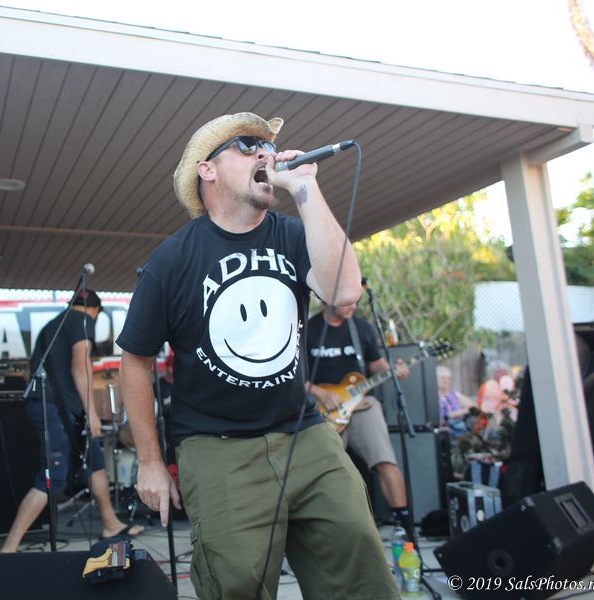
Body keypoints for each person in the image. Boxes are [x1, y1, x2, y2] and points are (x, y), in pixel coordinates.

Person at [117, 113, 397, 599]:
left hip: (304, 432)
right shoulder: (173, 259)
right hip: (215, 445)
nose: (265, 153)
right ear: (207, 170)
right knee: (236, 581)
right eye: (248, 145)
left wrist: (306, 187)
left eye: (268, 146)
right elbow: (135, 360)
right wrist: (150, 462)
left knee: (357, 554)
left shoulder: (292, 235)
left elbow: (344, 291)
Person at [0, 290, 143, 553]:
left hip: (55, 408)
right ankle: (9, 548)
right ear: (94, 310)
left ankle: (110, 524)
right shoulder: (81, 320)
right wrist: (92, 413)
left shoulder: (53, 325)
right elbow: (81, 365)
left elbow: (29, 373)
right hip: (54, 409)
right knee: (52, 476)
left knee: (94, 462)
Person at [305, 300, 413, 534]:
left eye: (355, 301)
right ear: (327, 299)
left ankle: (405, 525)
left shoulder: (362, 328)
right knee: (324, 469)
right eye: (346, 301)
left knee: (386, 460)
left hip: (361, 404)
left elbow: (375, 364)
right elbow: (295, 377)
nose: (352, 306)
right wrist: (320, 393)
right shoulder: (308, 329)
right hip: (323, 410)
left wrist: (392, 370)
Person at [436, 365, 475, 437]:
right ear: (436, 379)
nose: (446, 381)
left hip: (460, 431)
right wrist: (450, 415)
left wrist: (457, 413)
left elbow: (473, 407)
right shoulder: (432, 397)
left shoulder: (455, 395)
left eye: (448, 378)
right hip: (442, 433)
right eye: (443, 378)